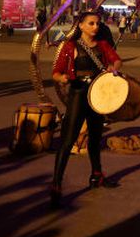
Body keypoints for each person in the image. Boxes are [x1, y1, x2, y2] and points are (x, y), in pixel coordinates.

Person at [49, 10, 122, 207]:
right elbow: (55, 72)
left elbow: (116, 59)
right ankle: (56, 183)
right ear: (80, 25)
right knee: (67, 140)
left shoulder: (103, 45)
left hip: (97, 97)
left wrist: (113, 68)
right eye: (91, 23)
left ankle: (96, 175)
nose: (95, 27)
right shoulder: (70, 46)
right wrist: (62, 78)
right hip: (78, 95)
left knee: (96, 138)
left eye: (97, 23)